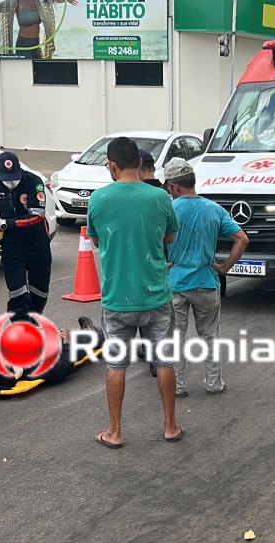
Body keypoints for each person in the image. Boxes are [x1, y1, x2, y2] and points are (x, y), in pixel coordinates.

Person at [86, 137, 183, 448]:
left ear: (111, 165)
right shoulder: (160, 197)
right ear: (140, 164)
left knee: (116, 366)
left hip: (117, 298)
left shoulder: (98, 199)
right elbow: (170, 237)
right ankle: (170, 426)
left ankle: (114, 432)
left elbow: (97, 240)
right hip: (156, 295)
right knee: (164, 361)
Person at [161, 157, 249, 398]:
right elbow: (242, 239)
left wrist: (162, 264)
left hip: (175, 283)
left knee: (175, 337)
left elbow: (152, 240)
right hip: (206, 282)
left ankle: (177, 386)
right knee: (210, 336)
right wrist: (225, 267)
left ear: (174, 186)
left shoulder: (169, 210)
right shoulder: (214, 209)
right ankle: (213, 383)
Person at [0, 151, 53, 314]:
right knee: (18, 293)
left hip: (37, 242)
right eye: (6, 179)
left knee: (40, 292)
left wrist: (3, 224)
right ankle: (19, 326)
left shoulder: (33, 182)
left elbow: (36, 216)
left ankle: (34, 321)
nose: (11, 183)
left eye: (14, 178)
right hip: (12, 245)